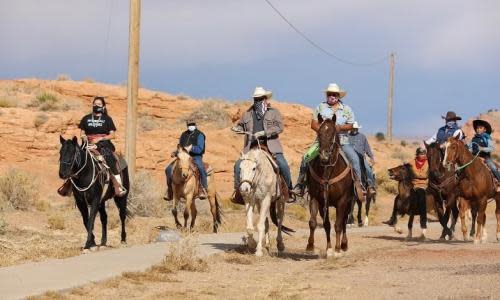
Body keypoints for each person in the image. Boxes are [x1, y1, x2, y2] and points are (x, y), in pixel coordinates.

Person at [292, 83, 364, 200]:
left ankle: (358, 186)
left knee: (355, 160)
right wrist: (323, 132)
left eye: (334, 94)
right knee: (306, 158)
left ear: (339, 96)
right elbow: (313, 124)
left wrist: (340, 128)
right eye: (329, 94)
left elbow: (351, 124)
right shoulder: (320, 107)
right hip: (322, 141)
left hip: (343, 141)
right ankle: (300, 185)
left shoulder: (346, 109)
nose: (331, 96)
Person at [230, 86, 293, 204]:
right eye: (256, 99)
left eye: (260, 99)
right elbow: (241, 125)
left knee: (283, 164)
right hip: (252, 148)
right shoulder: (247, 114)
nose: (258, 101)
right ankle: (239, 193)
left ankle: (288, 190)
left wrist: (264, 133)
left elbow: (280, 127)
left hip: (270, 147)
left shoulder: (274, 112)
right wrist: (237, 128)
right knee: (238, 165)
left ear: (265, 99)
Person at [58, 96, 126, 197]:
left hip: (103, 144)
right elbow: (82, 133)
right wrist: (84, 137)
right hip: (88, 143)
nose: (96, 106)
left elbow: (112, 135)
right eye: (95, 104)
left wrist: (99, 139)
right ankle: (69, 184)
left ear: (103, 106)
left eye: (99, 104)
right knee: (76, 158)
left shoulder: (107, 119)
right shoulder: (86, 118)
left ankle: (117, 184)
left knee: (109, 158)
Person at [383, 148, 429, 227]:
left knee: (421, 196)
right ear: (417, 155)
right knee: (398, 197)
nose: (423, 156)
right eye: (421, 154)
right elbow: (405, 168)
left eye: (424, 154)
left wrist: (417, 175)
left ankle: (423, 218)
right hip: (414, 184)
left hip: (424, 184)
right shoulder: (412, 162)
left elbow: (426, 174)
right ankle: (393, 218)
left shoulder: (428, 163)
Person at [164, 120, 208, 200]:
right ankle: (170, 190)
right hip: (183, 156)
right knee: (168, 169)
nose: (191, 126)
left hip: (195, 156)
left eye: (192, 124)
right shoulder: (183, 134)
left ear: (195, 125)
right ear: (187, 125)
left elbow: (200, 149)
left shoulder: (200, 135)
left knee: (201, 168)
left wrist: (191, 149)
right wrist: (176, 152)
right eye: (189, 124)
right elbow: (180, 147)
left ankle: (202, 189)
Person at [348, 122, 376, 194]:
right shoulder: (347, 137)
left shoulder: (362, 137)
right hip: (349, 158)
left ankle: (371, 186)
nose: (354, 129)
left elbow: (367, 148)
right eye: (353, 128)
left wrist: (371, 157)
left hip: (361, 158)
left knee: (368, 170)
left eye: (356, 128)